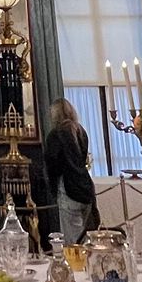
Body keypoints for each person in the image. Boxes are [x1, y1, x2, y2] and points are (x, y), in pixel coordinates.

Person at [43, 98, 96, 243]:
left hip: (68, 188)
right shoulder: (80, 131)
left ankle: (77, 265)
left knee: (72, 239)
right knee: (85, 237)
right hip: (85, 186)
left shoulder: (56, 134)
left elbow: (53, 164)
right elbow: (83, 158)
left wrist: (52, 187)